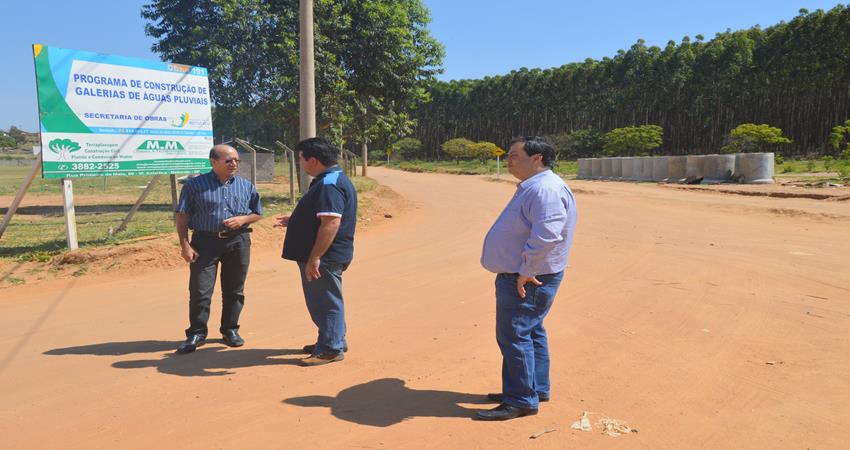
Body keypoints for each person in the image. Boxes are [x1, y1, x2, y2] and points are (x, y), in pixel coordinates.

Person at [476, 136, 578, 421]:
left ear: (537, 159)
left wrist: (527, 270)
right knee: (531, 332)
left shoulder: (544, 189)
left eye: (514, 155)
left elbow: (547, 234)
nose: (508, 160)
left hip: (527, 278)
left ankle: (521, 398)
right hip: (530, 275)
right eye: (508, 155)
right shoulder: (537, 186)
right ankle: (534, 388)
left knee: (515, 336)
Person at [275, 137, 357, 366]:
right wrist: (297, 220)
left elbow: (331, 222)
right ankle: (332, 339)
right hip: (328, 255)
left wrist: (315, 257)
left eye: (301, 159)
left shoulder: (329, 184)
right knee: (326, 299)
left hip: (326, 257)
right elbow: (324, 215)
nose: (300, 164)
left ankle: (331, 349)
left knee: (325, 302)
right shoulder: (331, 179)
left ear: (313, 160)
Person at [174, 144, 263, 354]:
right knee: (200, 290)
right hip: (205, 243)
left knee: (234, 289)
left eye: (236, 161)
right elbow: (182, 215)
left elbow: (257, 213)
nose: (234, 164)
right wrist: (185, 244)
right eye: (228, 160)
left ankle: (230, 329)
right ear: (213, 162)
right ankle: (196, 333)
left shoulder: (246, 185)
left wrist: (244, 219)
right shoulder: (194, 186)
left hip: (238, 242)